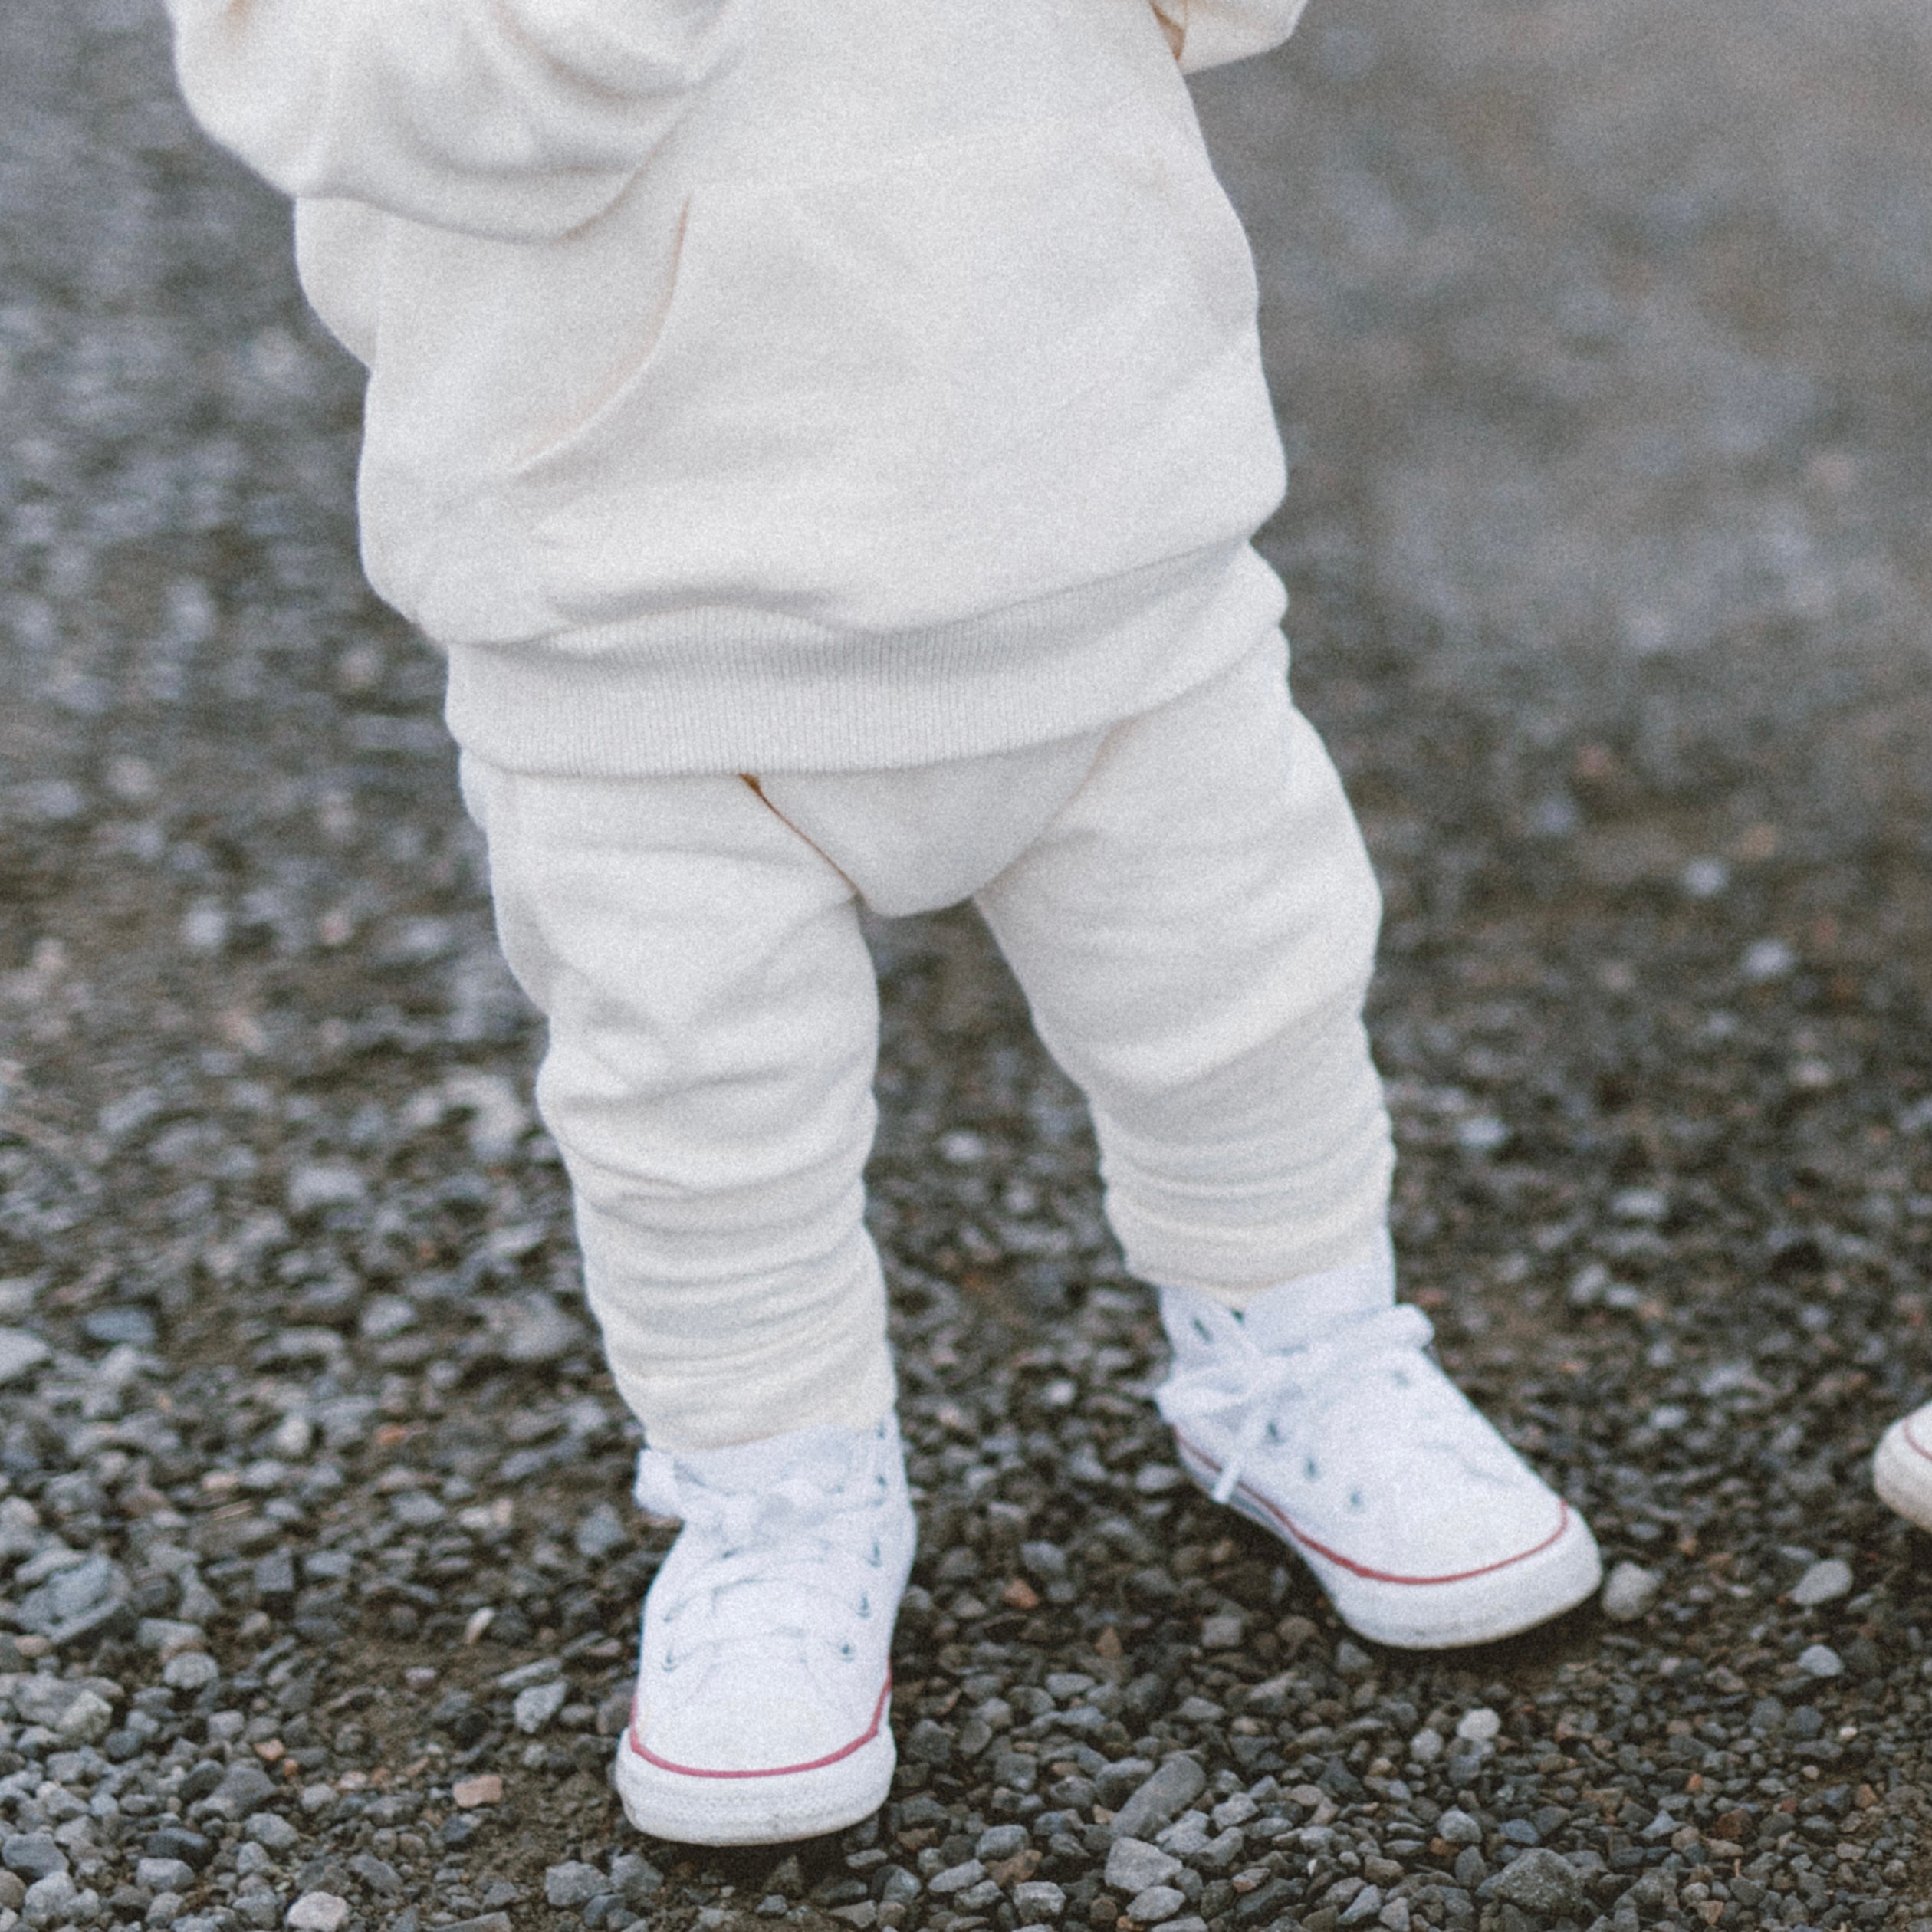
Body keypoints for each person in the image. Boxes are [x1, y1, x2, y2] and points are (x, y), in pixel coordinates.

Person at [161, 0, 1602, 1846]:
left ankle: (1299, 1350)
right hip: (635, 599)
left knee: (1247, 987)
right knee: (702, 1113)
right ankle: (776, 1496)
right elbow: (385, 97)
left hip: (1100, 496)